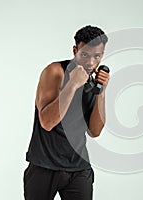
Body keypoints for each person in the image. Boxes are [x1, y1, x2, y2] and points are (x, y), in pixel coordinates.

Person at [23, 25, 110, 200]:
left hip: (79, 168)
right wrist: (72, 85)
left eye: (97, 56)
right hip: (44, 165)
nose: (91, 63)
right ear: (75, 50)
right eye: (84, 55)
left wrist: (101, 92)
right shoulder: (55, 72)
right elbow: (47, 123)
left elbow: (95, 131)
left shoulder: (92, 83)